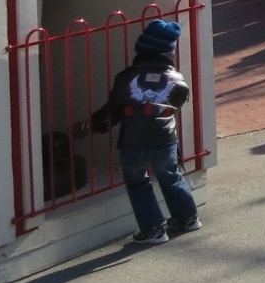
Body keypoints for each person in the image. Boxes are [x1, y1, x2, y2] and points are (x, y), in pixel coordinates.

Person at [84, 18, 197, 243]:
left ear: (141, 48)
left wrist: (98, 122)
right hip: (165, 140)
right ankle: (187, 218)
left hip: (132, 142)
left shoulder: (126, 78)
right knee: (171, 177)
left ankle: (153, 229)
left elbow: (114, 108)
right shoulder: (178, 81)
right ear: (169, 51)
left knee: (138, 183)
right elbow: (177, 103)